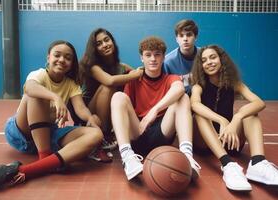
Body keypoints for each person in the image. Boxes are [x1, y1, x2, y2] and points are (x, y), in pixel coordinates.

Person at [0, 40, 103, 189]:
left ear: (72, 63)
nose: (62, 60)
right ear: (48, 57)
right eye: (57, 55)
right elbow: (30, 89)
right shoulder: (39, 74)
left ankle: (29, 170)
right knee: (36, 94)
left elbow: (80, 108)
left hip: (48, 133)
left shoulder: (72, 84)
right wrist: (55, 97)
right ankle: (45, 156)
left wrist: (90, 118)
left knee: (96, 134)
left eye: (68, 57)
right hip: (22, 132)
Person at [110, 36, 201, 181]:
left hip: (162, 132)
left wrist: (154, 110)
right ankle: (127, 157)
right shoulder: (133, 79)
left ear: (164, 57)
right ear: (142, 58)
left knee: (182, 97)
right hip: (138, 131)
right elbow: (124, 110)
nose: (153, 59)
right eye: (148, 55)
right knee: (118, 97)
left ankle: (187, 156)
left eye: (157, 54)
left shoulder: (171, 78)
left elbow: (179, 89)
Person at [190, 45, 278, 191]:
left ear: (221, 60)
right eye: (204, 60)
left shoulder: (234, 84)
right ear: (201, 66)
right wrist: (222, 120)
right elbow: (194, 104)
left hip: (228, 137)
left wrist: (237, 117)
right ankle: (227, 164)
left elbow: (259, 103)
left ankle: (258, 162)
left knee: (250, 113)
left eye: (213, 57)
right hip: (205, 142)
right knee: (200, 114)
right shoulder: (198, 86)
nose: (209, 62)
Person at [68, 28, 143, 162]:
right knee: (108, 87)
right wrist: (136, 74)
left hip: (106, 115)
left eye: (107, 40)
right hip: (88, 114)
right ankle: (101, 138)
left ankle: (110, 133)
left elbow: (140, 79)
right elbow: (110, 80)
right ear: (94, 49)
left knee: (126, 88)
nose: (104, 45)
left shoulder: (121, 66)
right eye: (99, 43)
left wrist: (139, 71)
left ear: (112, 41)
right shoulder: (92, 66)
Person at [163, 19, 199, 95]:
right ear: (176, 39)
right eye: (181, 36)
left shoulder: (204, 55)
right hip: (180, 100)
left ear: (195, 37)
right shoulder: (168, 62)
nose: (185, 39)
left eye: (189, 35)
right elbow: (166, 90)